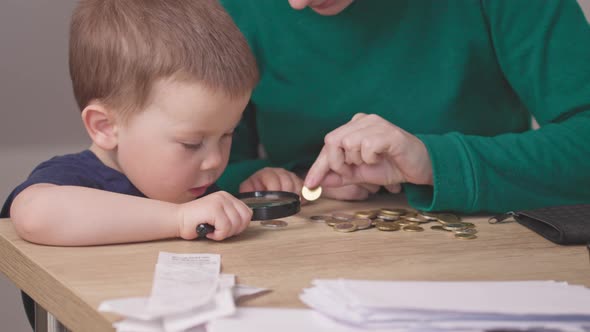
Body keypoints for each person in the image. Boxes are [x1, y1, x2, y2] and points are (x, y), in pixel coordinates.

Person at [1, 0, 257, 326]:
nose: (215, 160)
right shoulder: (73, 179)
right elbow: (35, 214)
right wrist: (178, 218)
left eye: (227, 134)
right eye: (191, 143)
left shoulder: (193, 184)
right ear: (105, 127)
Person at [218, 0, 590, 213]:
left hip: (497, 248)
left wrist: (433, 162)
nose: (298, 3)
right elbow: (201, 168)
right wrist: (284, 178)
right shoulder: (231, 8)